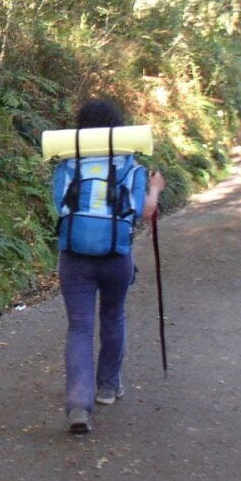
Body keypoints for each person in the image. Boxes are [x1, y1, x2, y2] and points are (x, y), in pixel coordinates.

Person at [56, 99, 165, 434]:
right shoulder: (129, 166)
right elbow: (144, 211)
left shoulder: (67, 164)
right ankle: (106, 387)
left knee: (79, 327)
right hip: (117, 257)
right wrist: (156, 188)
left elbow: (59, 207)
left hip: (74, 256)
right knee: (113, 316)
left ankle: (78, 405)